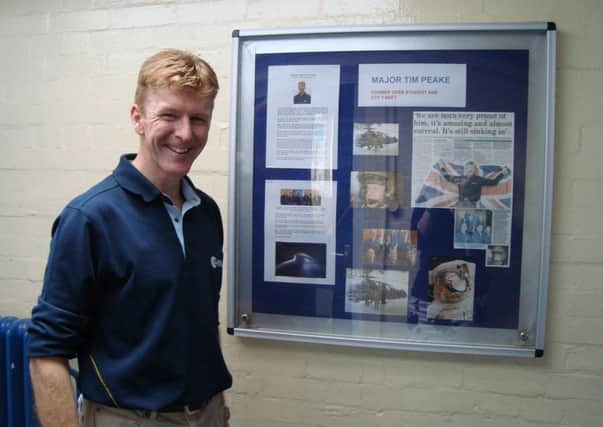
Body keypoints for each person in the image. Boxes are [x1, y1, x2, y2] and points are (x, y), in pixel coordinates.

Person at [27, 49, 232, 427]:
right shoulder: (89, 218)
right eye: (169, 115)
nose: (185, 133)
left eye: (198, 118)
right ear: (138, 118)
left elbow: (198, 321)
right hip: (127, 418)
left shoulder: (206, 213)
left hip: (206, 413)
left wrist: (215, 407)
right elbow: (46, 353)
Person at [438, 160, 510, 208]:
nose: (469, 170)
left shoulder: (479, 179)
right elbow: (447, 177)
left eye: (471, 168)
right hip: (461, 205)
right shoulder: (460, 179)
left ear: (474, 170)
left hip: (474, 205)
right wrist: (441, 166)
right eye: (467, 168)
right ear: (464, 169)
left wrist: (503, 173)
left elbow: (494, 182)